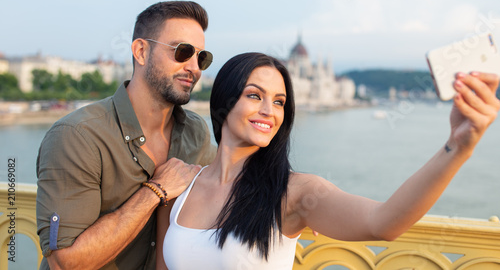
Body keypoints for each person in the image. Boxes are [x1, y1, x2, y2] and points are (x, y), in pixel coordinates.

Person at [156, 52, 500, 270]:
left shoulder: (295, 192)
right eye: (254, 95)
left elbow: (385, 223)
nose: (268, 111)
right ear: (224, 100)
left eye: (279, 101)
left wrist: (458, 146)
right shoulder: (179, 187)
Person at [36, 1, 217, 270]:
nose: (194, 68)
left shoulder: (195, 132)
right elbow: (66, 263)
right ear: (141, 51)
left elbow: (230, 184)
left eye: (201, 58)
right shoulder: (78, 137)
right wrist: (156, 191)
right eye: (182, 52)